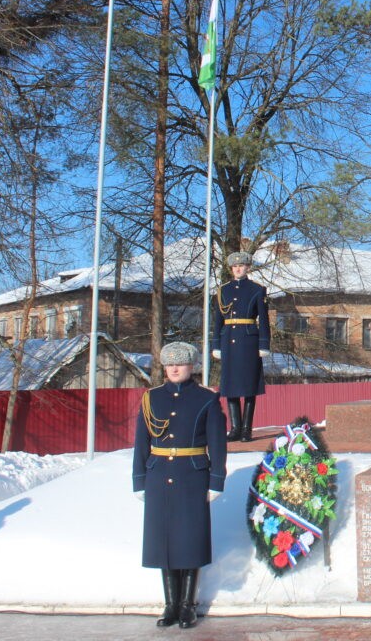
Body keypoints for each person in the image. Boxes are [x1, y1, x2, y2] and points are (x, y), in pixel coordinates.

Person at [132, 341, 227, 630]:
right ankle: (170, 604)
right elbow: (141, 442)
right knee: (164, 541)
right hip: (159, 475)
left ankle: (187, 605)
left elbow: (217, 444)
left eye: (181, 363)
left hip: (192, 475)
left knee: (189, 540)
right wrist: (139, 479)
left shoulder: (205, 399)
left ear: (192, 366)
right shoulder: (152, 398)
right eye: (169, 364)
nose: (174, 368)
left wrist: (216, 480)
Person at [211, 250, 270, 442]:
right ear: (231, 269)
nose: (238, 269)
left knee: (249, 385)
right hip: (228, 340)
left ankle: (246, 429)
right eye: (235, 266)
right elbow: (217, 320)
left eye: (241, 266)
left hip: (248, 341)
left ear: (248, 268)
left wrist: (264, 343)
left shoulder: (257, 289)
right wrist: (216, 344)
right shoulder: (223, 291)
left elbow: (264, 320)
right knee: (230, 385)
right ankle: (235, 428)